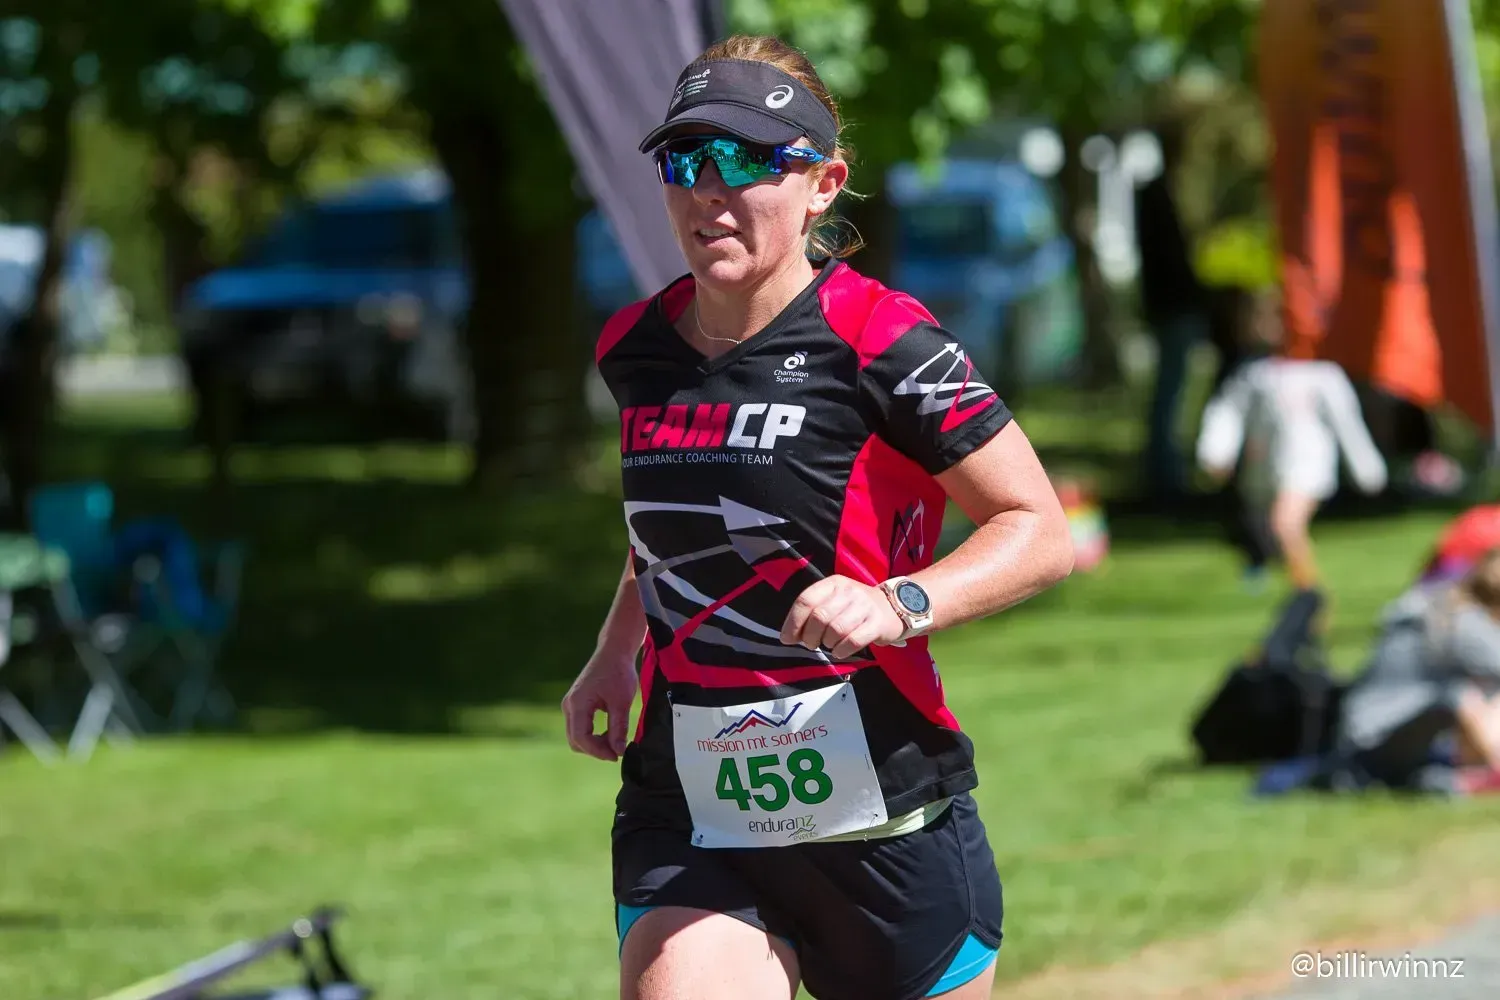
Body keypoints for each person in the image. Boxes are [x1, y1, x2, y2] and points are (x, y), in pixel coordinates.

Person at [561, 34, 1075, 1000]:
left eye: (748, 159)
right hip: (692, 798)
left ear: (822, 185)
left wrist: (898, 602)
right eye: (686, 160)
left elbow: (1040, 531)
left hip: (883, 811)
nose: (710, 190)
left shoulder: (885, 340)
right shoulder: (635, 347)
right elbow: (677, 524)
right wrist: (616, 648)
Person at [1195, 287, 1388, 591]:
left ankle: (1309, 596)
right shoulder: (1254, 375)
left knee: (1285, 524)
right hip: (1263, 470)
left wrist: (1367, 470)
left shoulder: (1322, 375)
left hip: (1308, 467)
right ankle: (1304, 596)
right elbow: (1228, 413)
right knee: (1273, 529)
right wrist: (1216, 452)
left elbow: (1347, 423)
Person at [1335, 546, 1500, 793]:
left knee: (1476, 691)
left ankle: (1472, 774)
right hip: (1374, 740)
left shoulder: (1443, 604)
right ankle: (1490, 771)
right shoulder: (1461, 620)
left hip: (1373, 736)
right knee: (1463, 694)